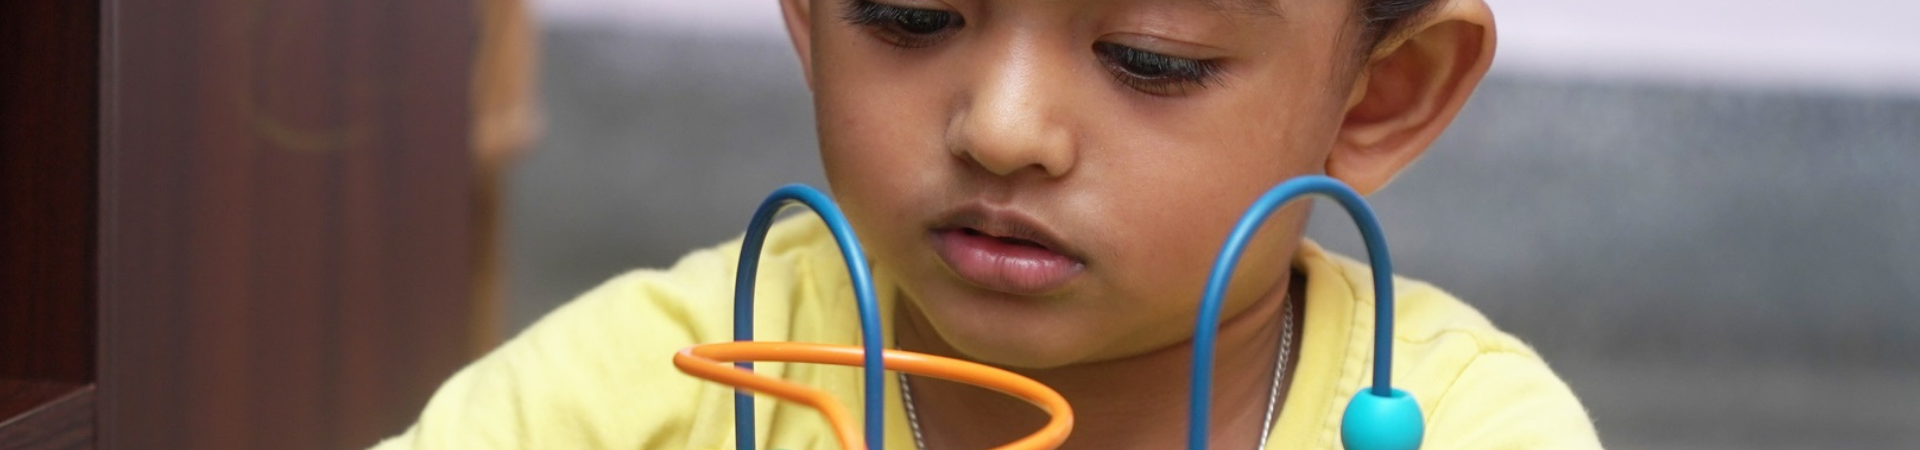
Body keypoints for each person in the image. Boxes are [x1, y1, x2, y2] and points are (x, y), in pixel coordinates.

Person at [373, 0, 1603, 448]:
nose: (1003, 128)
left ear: (1381, 92)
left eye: (1149, 57)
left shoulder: (1471, 430)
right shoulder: (640, 398)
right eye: (908, 16)